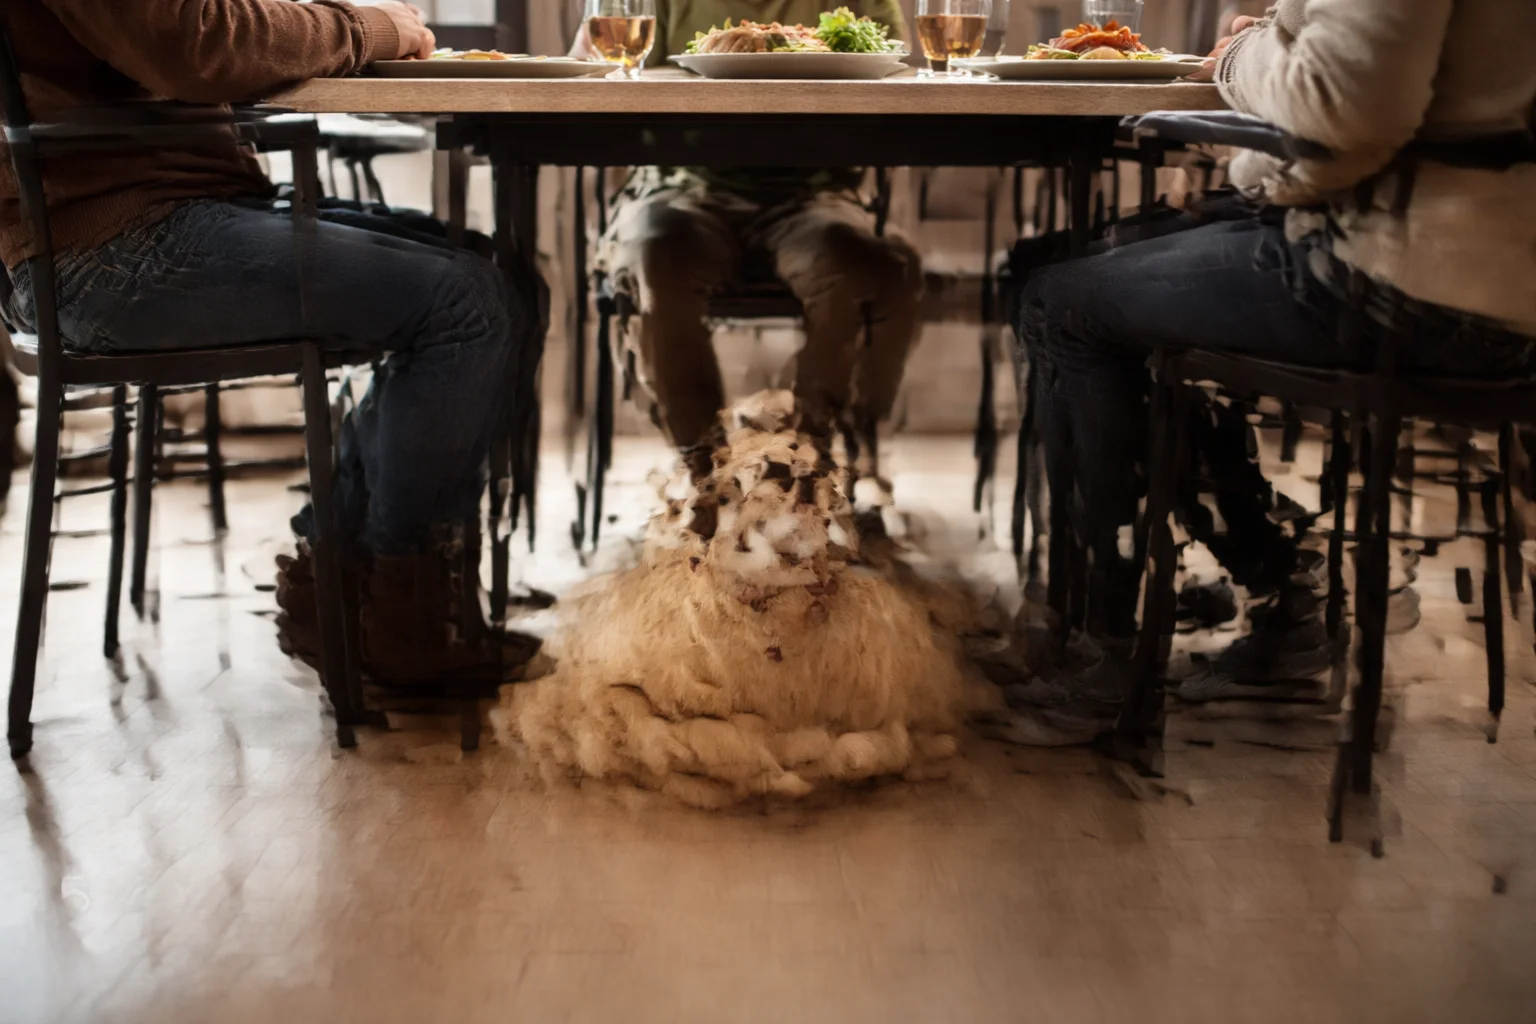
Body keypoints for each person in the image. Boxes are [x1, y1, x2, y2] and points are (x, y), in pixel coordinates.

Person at [1012, 0, 1536, 717]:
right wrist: (1260, 154)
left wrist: (1242, 58)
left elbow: (1341, 110)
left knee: (1060, 305)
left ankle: (1102, 652)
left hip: (1412, 277)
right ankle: (1282, 584)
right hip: (1473, 262)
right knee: (1054, 269)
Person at [0, 0, 544, 683]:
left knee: (504, 281)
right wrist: (369, 26)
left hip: (154, 220)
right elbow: (198, 46)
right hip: (111, 252)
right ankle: (407, 616)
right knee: (469, 306)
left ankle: (340, 585)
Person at [571, 1, 922, 484]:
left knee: (867, 265)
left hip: (813, 191)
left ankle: (807, 468)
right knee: (657, 255)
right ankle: (707, 473)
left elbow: (895, 79)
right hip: (683, 185)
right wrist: (590, 59)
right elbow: (604, 71)